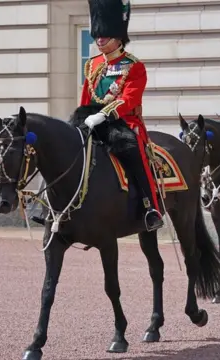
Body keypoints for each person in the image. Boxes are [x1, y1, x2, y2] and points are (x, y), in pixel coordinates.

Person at [80, 0, 163, 231]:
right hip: (93, 120)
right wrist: (82, 118)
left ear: (117, 36)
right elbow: (86, 97)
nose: (99, 38)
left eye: (104, 34)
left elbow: (129, 99)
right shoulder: (93, 64)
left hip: (122, 122)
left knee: (133, 154)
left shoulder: (134, 66)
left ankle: (150, 207)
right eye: (97, 34)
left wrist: (104, 114)